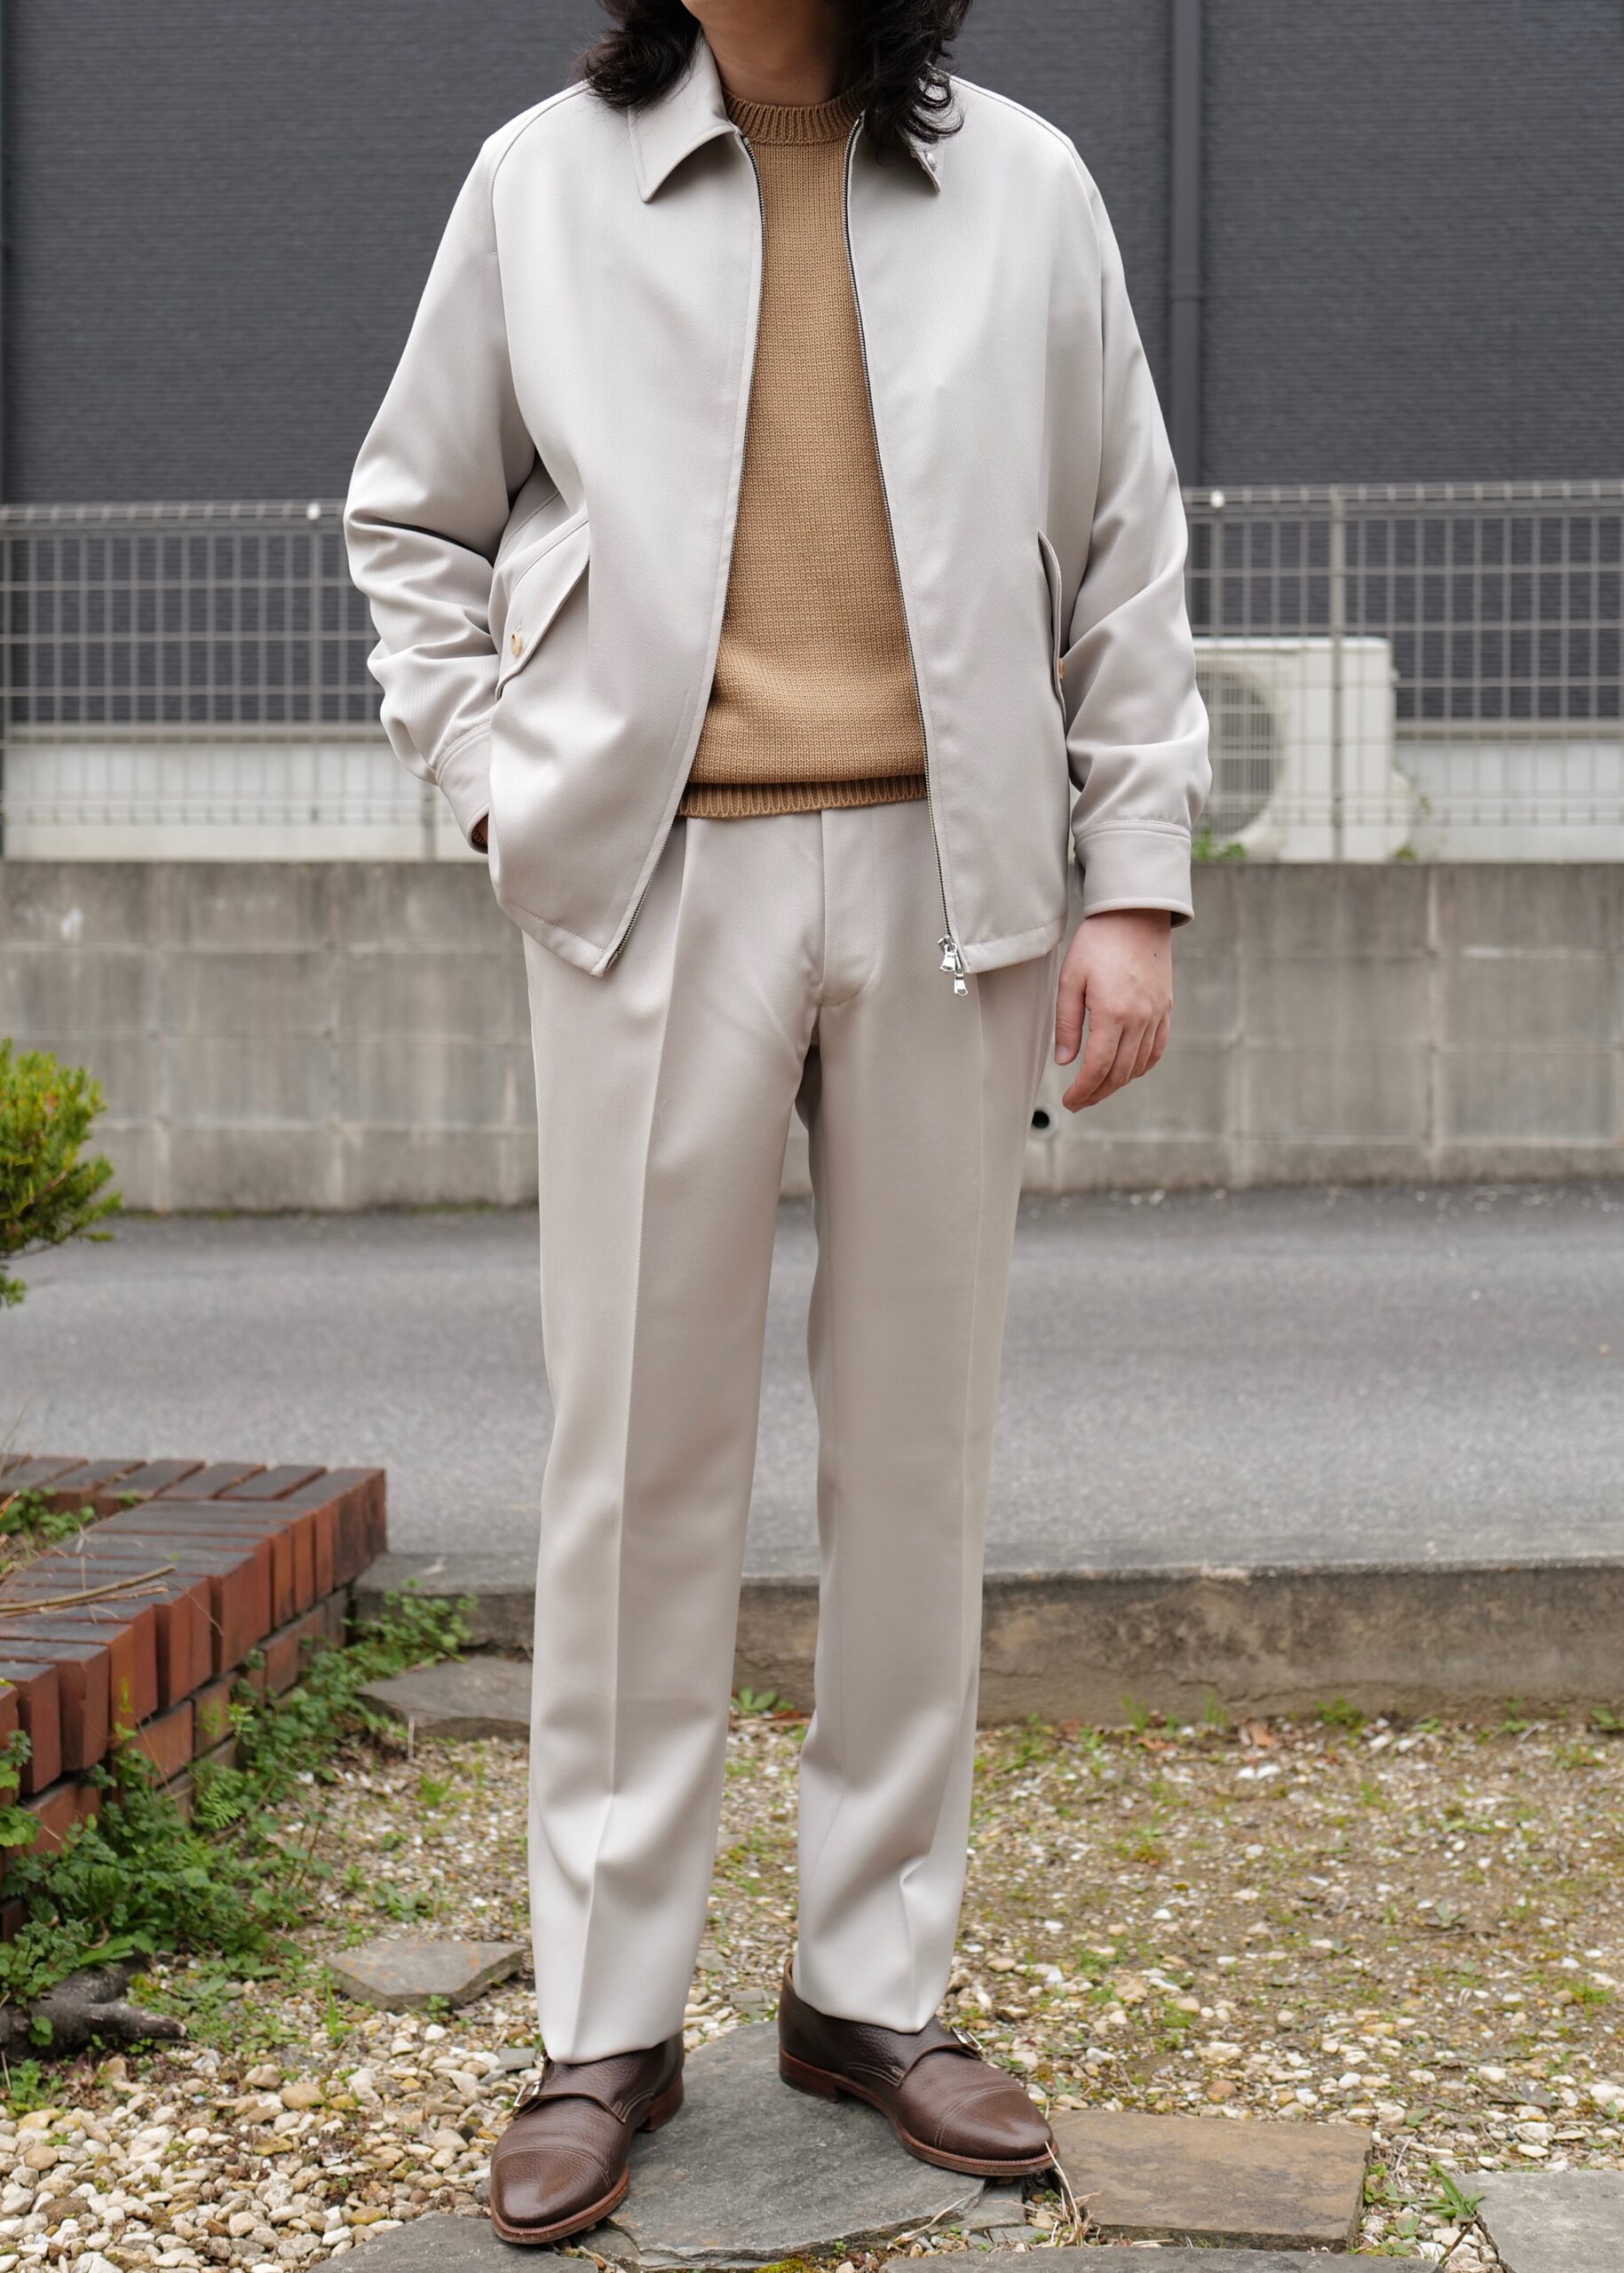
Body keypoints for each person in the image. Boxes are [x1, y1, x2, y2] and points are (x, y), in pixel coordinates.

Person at [345, 0, 1208, 2245]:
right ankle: (605, 2023)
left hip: (956, 882)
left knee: (918, 1450)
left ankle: (869, 1986)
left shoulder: (1025, 184)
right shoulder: (543, 178)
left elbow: (1127, 540)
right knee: (635, 1456)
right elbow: (409, 514)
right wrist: (502, 788)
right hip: (651, 883)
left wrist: (1134, 881)